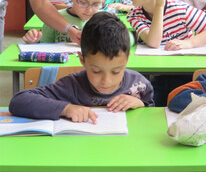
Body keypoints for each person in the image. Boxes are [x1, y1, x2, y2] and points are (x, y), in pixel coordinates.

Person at [9, 12, 154, 123]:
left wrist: (140, 103)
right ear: (82, 60)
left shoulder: (139, 84)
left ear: (127, 59)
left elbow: (151, 116)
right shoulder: (72, 85)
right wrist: (66, 109)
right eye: (96, 71)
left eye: (116, 71)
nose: (106, 81)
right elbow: (19, 101)